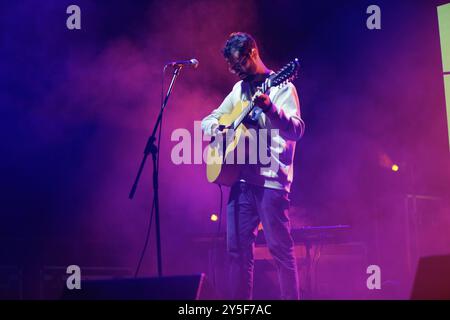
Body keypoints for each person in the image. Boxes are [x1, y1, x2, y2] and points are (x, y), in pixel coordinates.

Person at [201, 32, 305, 300]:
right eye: (231, 66)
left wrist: (271, 109)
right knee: (236, 253)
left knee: (280, 251)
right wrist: (220, 127)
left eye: (238, 64)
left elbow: (296, 130)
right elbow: (208, 120)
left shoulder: (282, 88)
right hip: (242, 182)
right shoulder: (240, 90)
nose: (234, 71)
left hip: (271, 183)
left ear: (253, 53)